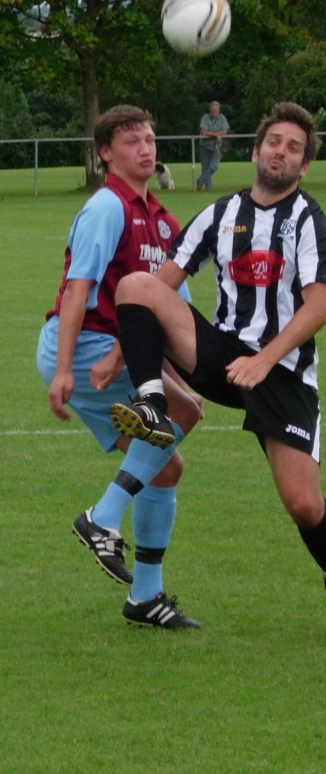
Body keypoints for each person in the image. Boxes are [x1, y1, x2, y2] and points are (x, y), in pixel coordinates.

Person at [109, 101, 326, 639]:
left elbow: (319, 306)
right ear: (257, 151)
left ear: (303, 167)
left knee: (304, 503)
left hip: (282, 373)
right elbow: (163, 282)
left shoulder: (310, 221)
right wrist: (122, 353)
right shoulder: (219, 213)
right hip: (220, 352)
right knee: (135, 284)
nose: (281, 151)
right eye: (275, 142)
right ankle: (152, 403)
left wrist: (265, 359)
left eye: (294, 148)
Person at [36, 104, 202, 629]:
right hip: (85, 344)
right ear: (106, 153)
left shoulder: (163, 219)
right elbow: (77, 290)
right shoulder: (109, 208)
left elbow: (174, 310)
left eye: (150, 139)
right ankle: (101, 518)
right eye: (131, 141)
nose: (145, 149)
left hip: (122, 348)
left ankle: (144, 598)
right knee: (183, 412)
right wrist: (63, 369)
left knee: (167, 464)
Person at [196, 100, 229, 191]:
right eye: (212, 109)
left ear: (219, 110)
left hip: (216, 146)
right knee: (205, 166)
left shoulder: (222, 118)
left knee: (214, 166)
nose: (214, 111)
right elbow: (203, 132)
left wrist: (214, 134)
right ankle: (209, 187)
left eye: (215, 109)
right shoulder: (205, 117)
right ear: (210, 110)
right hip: (204, 145)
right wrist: (216, 135)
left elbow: (225, 131)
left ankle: (200, 180)